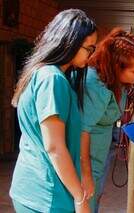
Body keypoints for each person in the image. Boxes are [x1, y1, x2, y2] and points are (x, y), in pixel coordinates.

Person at [10, 9, 97, 213]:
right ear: (71, 42)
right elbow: (55, 147)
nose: (91, 56)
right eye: (89, 49)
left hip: (33, 188)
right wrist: (79, 197)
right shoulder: (52, 79)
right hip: (46, 196)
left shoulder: (43, 73)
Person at [79, 27, 134, 212]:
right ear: (117, 67)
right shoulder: (95, 85)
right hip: (85, 161)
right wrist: (85, 176)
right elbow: (81, 132)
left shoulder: (114, 81)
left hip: (98, 156)